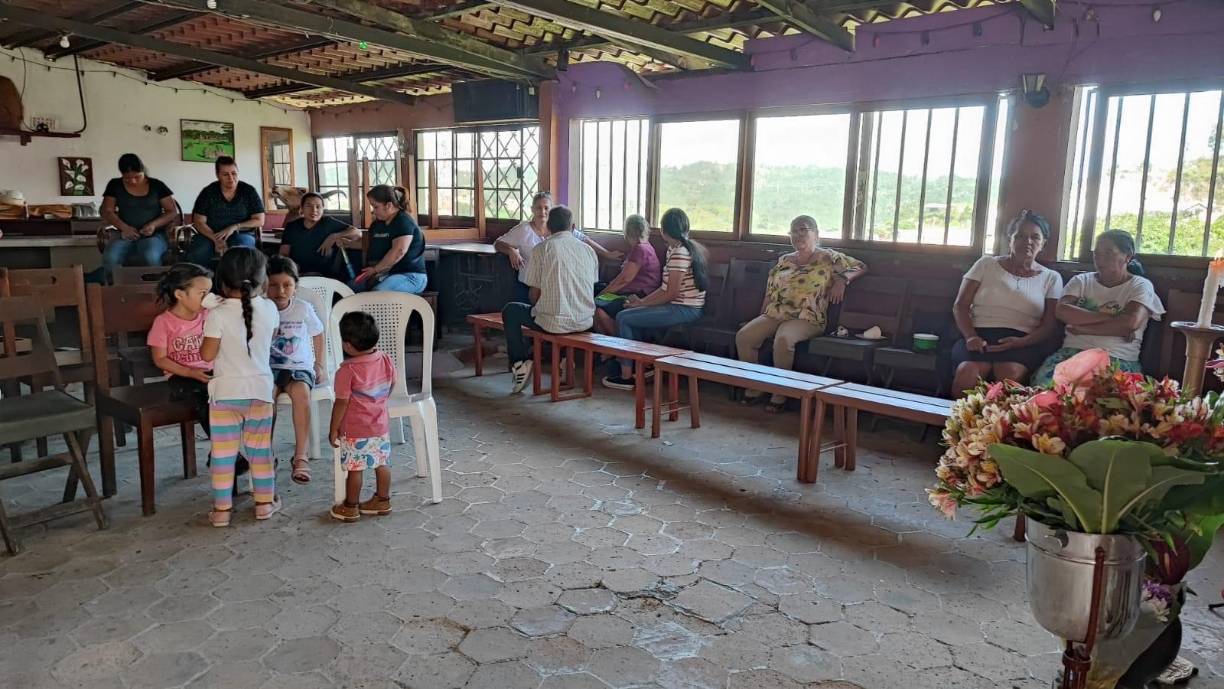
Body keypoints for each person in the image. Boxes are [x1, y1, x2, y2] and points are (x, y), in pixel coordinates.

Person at [735, 215, 868, 412]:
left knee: (783, 339)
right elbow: (770, 292)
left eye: (803, 230)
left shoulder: (829, 257)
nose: (798, 235)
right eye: (793, 231)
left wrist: (842, 280)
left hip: (808, 317)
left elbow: (861, 266)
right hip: (776, 313)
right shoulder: (784, 260)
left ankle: (781, 391)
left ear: (816, 234)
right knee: (745, 336)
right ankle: (755, 386)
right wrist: (760, 316)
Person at [200, 247, 281, 527]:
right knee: (260, 451)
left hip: (225, 394)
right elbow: (268, 339)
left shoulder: (217, 314)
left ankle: (222, 510)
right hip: (260, 392)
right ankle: (264, 504)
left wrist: (210, 305)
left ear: (221, 281)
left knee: (223, 454)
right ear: (263, 280)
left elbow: (207, 355)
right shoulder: (270, 309)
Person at [951, 209, 1063, 395]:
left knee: (1009, 376)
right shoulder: (986, 264)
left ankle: (999, 416)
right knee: (968, 373)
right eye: (1020, 236)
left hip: (1023, 342)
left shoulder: (1051, 278)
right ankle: (957, 415)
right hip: (979, 337)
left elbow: (1049, 325)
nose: (1028, 241)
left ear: (1043, 243)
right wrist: (971, 336)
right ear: (1009, 239)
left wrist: (1021, 342)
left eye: (1035, 237)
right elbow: (960, 306)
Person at [1031, 230, 1164, 386]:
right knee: (1048, 388)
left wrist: (1083, 329)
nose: (1100, 259)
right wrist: (1113, 320)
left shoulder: (1140, 285)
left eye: (1108, 253)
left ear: (1127, 256)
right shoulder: (1081, 281)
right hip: (1072, 355)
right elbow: (1062, 311)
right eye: (1097, 253)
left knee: (1099, 394)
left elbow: (1130, 323)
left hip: (1116, 359)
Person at [602, 208, 707, 391]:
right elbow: (664, 289)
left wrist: (642, 303)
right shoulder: (678, 248)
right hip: (680, 306)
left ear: (664, 231)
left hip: (685, 309)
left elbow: (671, 293)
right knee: (629, 314)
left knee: (623, 317)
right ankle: (643, 366)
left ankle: (627, 376)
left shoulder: (680, 252)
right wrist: (640, 303)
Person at [501, 204, 598, 394]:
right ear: (573, 226)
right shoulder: (589, 251)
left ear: (549, 227)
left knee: (511, 311)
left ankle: (519, 364)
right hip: (585, 322)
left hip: (554, 323)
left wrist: (540, 306)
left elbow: (534, 294)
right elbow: (589, 287)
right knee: (557, 311)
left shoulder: (542, 249)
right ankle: (565, 361)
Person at [329, 311, 398, 522]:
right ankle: (383, 500)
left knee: (355, 469)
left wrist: (333, 428)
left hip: (355, 430)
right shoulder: (385, 359)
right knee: (382, 463)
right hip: (380, 425)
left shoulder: (347, 371)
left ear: (347, 345)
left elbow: (341, 403)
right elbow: (392, 383)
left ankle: (350, 507)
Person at [495, 191, 621, 303]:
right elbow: (498, 243)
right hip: (528, 285)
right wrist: (511, 251)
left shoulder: (559, 227)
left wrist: (607, 254)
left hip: (555, 286)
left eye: (546, 208)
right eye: (538, 208)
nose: (542, 212)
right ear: (532, 209)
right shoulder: (523, 230)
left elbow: (584, 239)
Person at [266, 256, 325, 484]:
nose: (280, 291)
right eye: (273, 285)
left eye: (287, 285)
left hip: (298, 367)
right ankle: (266, 454)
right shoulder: (260, 309)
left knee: (301, 393)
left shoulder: (302, 308)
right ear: (264, 285)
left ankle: (301, 455)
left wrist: (319, 364)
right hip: (268, 368)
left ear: (295, 286)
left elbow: (318, 333)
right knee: (266, 396)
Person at [100, 153, 178, 280]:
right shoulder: (115, 185)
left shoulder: (157, 185)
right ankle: (113, 288)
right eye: (127, 178)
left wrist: (153, 225)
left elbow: (172, 211)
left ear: (143, 171)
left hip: (154, 234)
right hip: (124, 234)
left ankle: (155, 287)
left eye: (137, 177)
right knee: (111, 257)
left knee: (151, 255)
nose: (133, 181)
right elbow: (107, 211)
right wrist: (124, 228)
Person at [186, 156, 266, 266]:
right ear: (217, 175)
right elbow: (198, 221)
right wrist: (216, 239)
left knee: (242, 249)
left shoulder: (248, 191)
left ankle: (238, 277)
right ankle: (204, 276)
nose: (231, 178)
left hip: (241, 233)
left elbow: (259, 220)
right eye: (225, 174)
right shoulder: (208, 192)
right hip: (210, 234)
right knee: (198, 252)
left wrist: (234, 227)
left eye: (234, 173)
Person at [351, 185, 427, 294]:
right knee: (349, 289)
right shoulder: (377, 224)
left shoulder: (403, 221)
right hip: (386, 274)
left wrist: (375, 269)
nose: (373, 211)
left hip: (410, 276)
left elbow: (398, 251)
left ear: (389, 205)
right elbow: (367, 244)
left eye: (376, 207)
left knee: (378, 293)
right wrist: (344, 242)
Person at [593, 214, 662, 335]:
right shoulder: (646, 246)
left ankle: (617, 341)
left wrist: (602, 294)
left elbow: (624, 279)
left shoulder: (640, 249)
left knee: (595, 308)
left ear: (627, 232)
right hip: (637, 293)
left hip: (637, 295)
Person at [278, 192, 360, 282]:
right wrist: (290, 268)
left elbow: (357, 232)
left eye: (318, 206)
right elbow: (283, 254)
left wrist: (333, 236)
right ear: (301, 208)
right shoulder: (292, 227)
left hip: (324, 276)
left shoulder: (328, 223)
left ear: (323, 209)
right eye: (309, 206)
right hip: (297, 274)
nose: (314, 210)